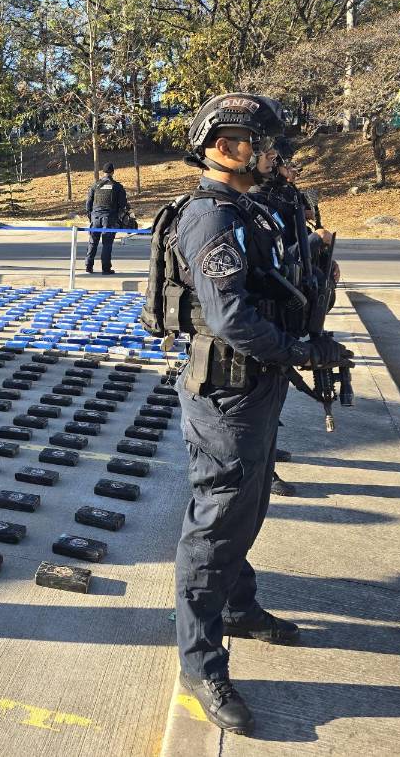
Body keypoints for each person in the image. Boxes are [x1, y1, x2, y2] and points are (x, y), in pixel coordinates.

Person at [154, 93, 352, 735]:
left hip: (257, 386)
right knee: (215, 525)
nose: (272, 154)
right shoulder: (210, 217)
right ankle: (200, 663)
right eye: (260, 142)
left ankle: (238, 606)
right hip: (227, 394)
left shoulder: (251, 210)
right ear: (224, 147)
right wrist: (301, 350)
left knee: (248, 504)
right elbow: (230, 318)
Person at [84, 163, 129, 275]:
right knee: (107, 244)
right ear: (113, 172)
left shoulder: (95, 185)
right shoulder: (117, 186)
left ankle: (88, 266)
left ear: (103, 172)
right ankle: (105, 268)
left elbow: (88, 204)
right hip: (109, 218)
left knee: (93, 242)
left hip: (95, 217)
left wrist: (91, 217)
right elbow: (123, 204)